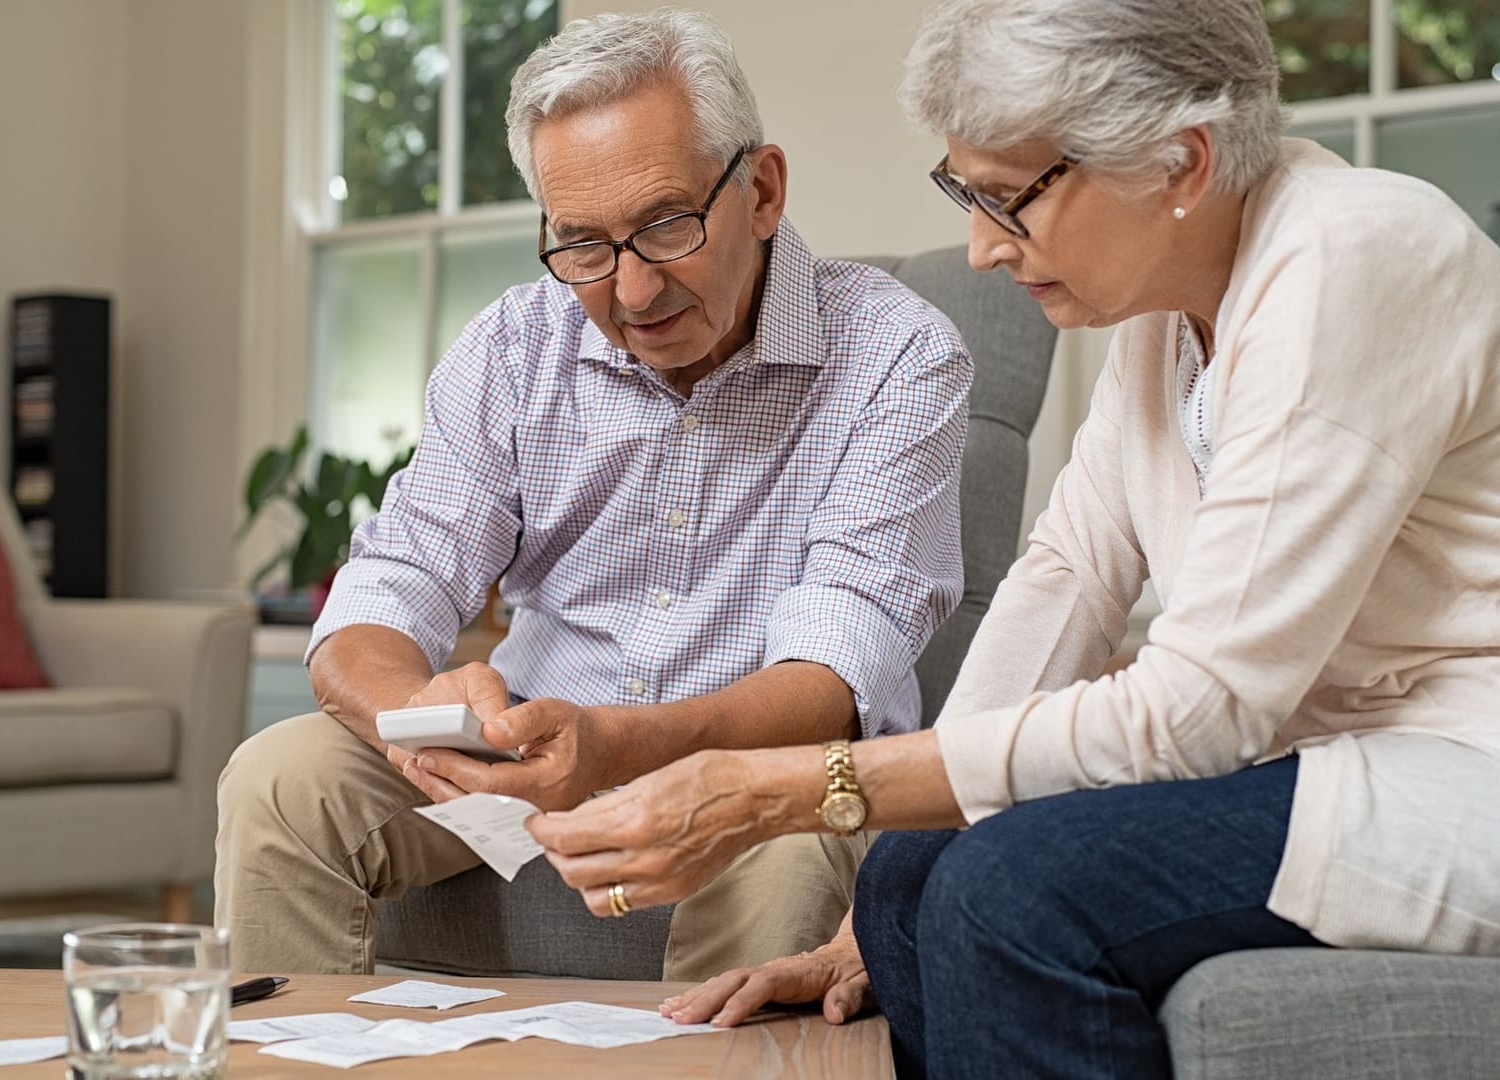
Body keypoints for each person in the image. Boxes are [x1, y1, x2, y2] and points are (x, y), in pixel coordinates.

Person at [526, 0, 1500, 1075]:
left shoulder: (1355, 257)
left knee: (1014, 892)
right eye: (968, 192)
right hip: (1374, 759)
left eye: (1011, 198)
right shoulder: (1170, 318)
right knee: (917, 871)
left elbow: (1201, 711)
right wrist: (866, 910)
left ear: (1183, 163)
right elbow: (1063, 579)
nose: (980, 249)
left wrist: (783, 788)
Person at [213, 9, 974, 983]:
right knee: (282, 780)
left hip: (760, 770)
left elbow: (833, 675)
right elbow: (391, 584)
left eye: (665, 225)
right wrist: (420, 711)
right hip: (524, 754)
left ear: (764, 190)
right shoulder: (512, 349)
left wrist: (614, 747)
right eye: (581, 245)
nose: (632, 290)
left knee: (795, 840)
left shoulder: (898, 357)